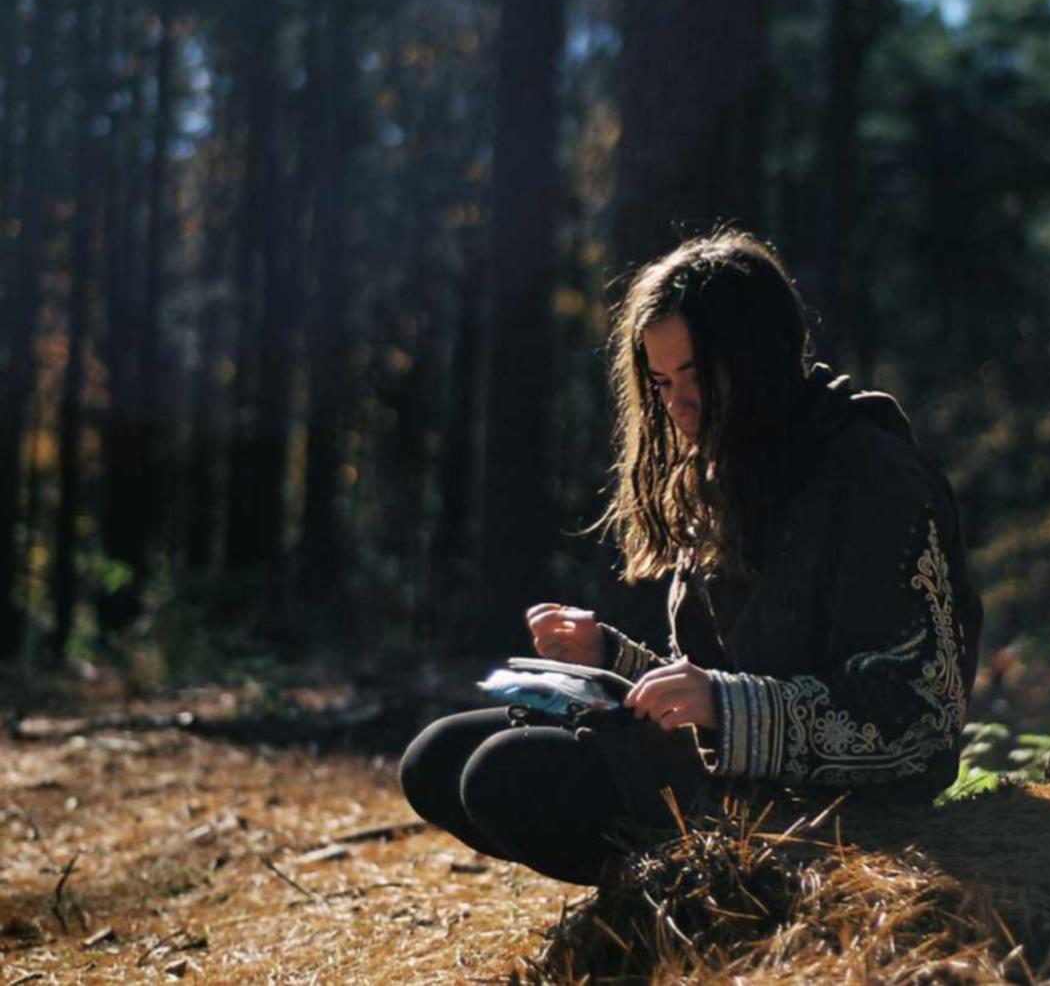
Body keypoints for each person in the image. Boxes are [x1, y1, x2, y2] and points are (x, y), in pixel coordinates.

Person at [399, 230, 982, 885]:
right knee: (435, 758)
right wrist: (611, 657)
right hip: (730, 780)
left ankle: (701, 904)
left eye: (697, 377)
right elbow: (710, 686)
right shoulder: (726, 467)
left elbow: (920, 722)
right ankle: (668, 900)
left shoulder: (875, 479)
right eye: (661, 382)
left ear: (760, 359)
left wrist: (726, 706)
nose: (677, 405)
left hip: (833, 812)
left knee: (503, 775)